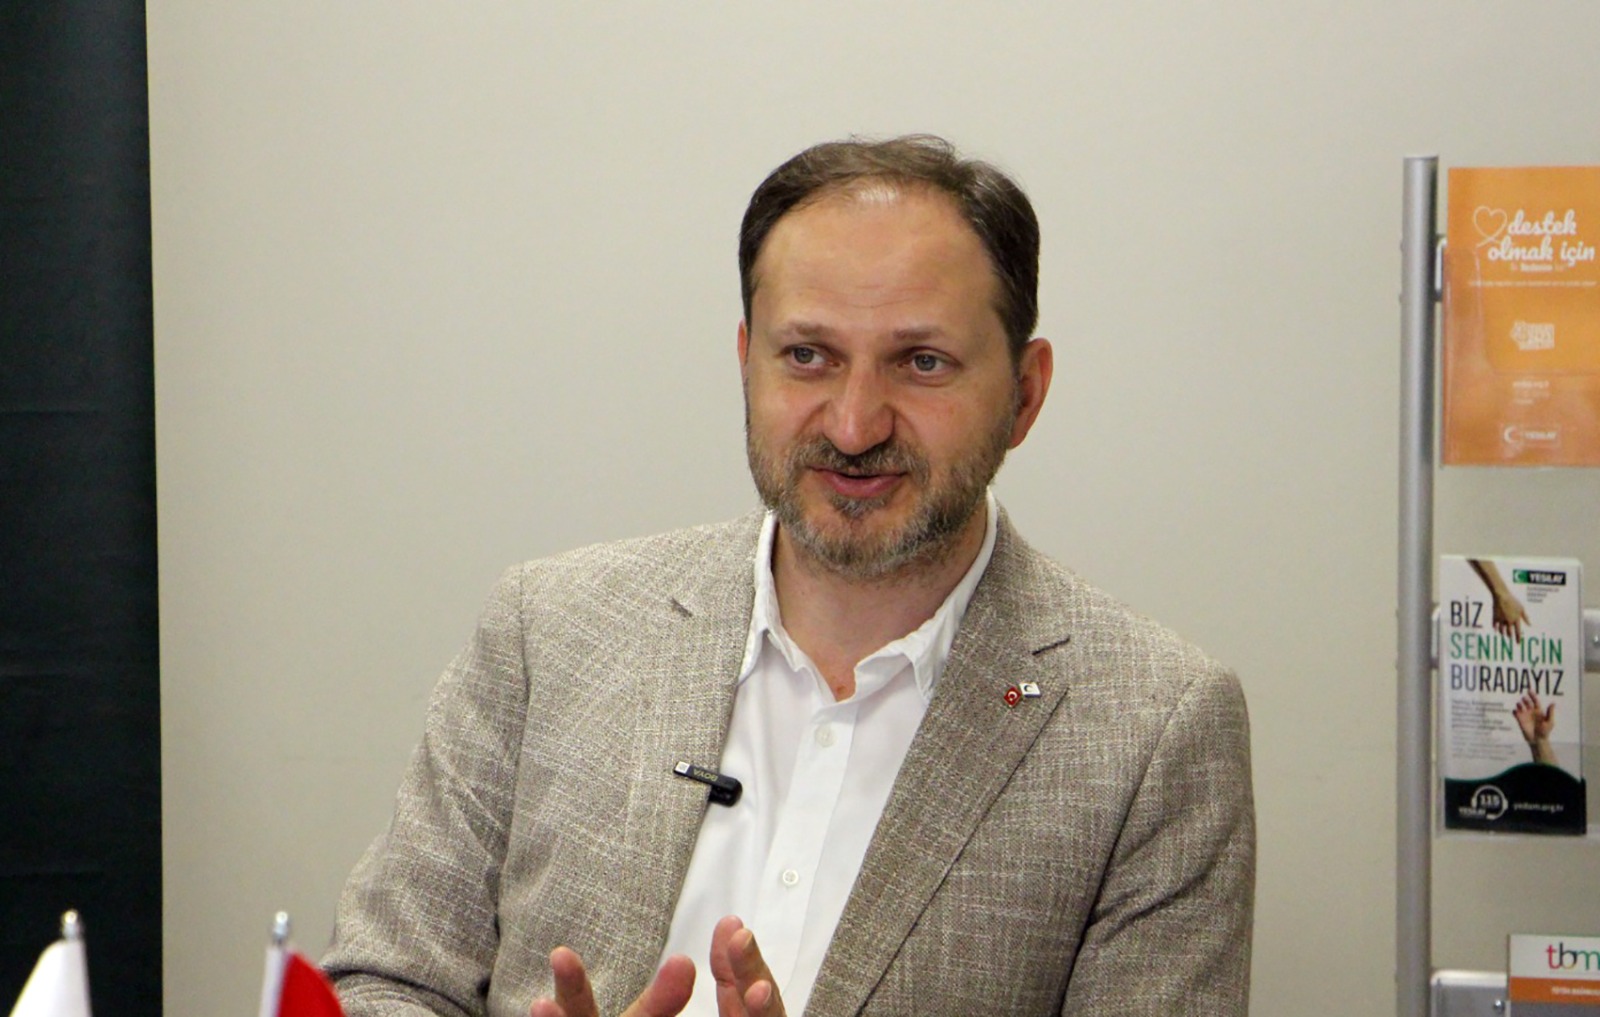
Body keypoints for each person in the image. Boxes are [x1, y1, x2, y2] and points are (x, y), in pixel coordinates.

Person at [322, 135, 1255, 1017]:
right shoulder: (550, 629)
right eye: (808, 356)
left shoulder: (1153, 728)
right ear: (746, 362)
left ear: (1024, 393)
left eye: (921, 362)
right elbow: (378, 983)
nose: (853, 425)